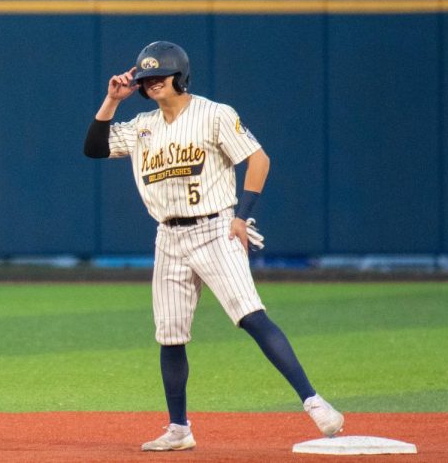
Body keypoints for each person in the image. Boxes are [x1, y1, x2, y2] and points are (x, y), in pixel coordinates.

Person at [83, 41, 343, 451]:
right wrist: (112, 100)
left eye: (159, 76)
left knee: (251, 316)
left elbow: (259, 160)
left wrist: (242, 216)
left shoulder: (214, 114)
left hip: (214, 228)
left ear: (179, 76)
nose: (151, 83)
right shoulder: (143, 125)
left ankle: (315, 402)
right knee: (170, 336)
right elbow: (94, 148)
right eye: (145, 78)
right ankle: (179, 429)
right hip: (168, 237)